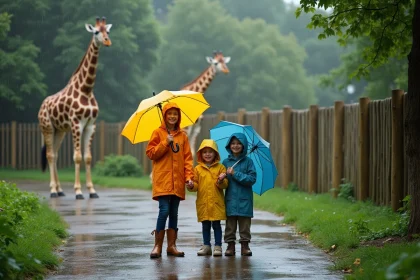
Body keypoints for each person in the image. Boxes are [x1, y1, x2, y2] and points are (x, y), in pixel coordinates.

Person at [146, 102, 194, 259]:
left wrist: (188, 177)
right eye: (170, 113)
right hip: (163, 180)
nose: (173, 116)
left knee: (174, 212)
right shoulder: (157, 133)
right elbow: (151, 153)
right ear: (165, 116)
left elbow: (187, 159)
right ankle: (157, 246)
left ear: (178, 117)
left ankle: (171, 246)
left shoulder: (183, 136)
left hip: (178, 181)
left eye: (175, 114)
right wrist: (165, 142)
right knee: (164, 210)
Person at [187, 139, 228, 257]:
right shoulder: (198, 169)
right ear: (201, 154)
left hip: (216, 202)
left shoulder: (220, 168)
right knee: (205, 225)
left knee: (216, 225)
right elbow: (195, 185)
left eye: (210, 152)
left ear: (215, 153)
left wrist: (221, 180)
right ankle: (206, 246)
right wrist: (191, 185)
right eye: (205, 152)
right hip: (203, 202)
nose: (208, 154)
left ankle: (218, 246)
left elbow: (225, 185)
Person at [222, 133, 256, 256]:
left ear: (243, 145)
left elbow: (251, 179)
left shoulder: (248, 162)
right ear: (229, 145)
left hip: (244, 199)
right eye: (233, 143)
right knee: (230, 225)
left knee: (244, 225)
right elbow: (223, 183)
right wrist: (221, 177)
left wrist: (235, 173)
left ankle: (245, 246)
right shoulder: (226, 162)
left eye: (238, 143)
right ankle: (230, 246)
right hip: (230, 199)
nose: (235, 146)